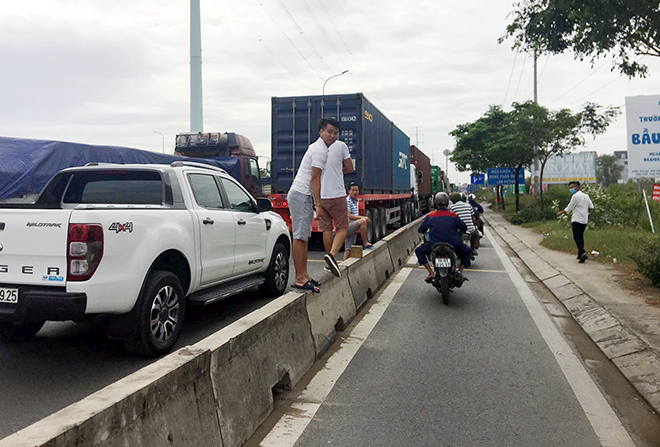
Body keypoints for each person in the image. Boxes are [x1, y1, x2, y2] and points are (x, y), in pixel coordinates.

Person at [287, 118, 340, 293]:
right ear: (321, 132)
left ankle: (305, 275)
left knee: (304, 237)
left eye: (335, 133)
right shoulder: (320, 151)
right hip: (301, 194)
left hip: (304, 195)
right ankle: (300, 278)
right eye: (329, 132)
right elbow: (315, 179)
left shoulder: (321, 148)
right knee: (300, 237)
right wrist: (319, 204)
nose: (332, 135)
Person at [415, 192, 472, 283]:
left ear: (435, 203)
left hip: (434, 245)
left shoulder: (430, 216)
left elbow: (421, 229)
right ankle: (460, 272)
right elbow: (464, 228)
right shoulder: (453, 216)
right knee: (468, 251)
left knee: (419, 251)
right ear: (447, 203)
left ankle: (430, 272)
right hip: (453, 245)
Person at [319, 139, 354, 275]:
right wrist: (339, 169)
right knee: (343, 227)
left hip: (322, 195)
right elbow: (350, 167)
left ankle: (329, 262)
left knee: (326, 229)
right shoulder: (341, 145)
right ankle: (332, 256)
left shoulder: (315, 147)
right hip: (337, 195)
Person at [556, 181, 594, 263]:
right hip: (584, 220)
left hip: (576, 219)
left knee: (576, 237)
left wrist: (560, 213)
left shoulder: (575, 197)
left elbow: (569, 208)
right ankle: (580, 254)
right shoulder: (586, 196)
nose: (571, 189)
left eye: (571, 188)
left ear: (576, 187)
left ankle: (583, 252)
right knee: (580, 236)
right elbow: (591, 206)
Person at [343, 182, 373, 261]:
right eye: (352, 190)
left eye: (356, 190)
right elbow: (349, 216)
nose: (354, 192)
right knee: (363, 221)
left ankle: (343, 266)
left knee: (348, 250)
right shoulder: (348, 201)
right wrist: (363, 217)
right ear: (349, 191)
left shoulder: (356, 200)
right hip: (348, 226)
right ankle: (365, 242)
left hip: (352, 225)